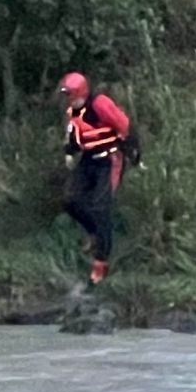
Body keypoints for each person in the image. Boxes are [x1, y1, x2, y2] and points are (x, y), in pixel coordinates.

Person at [58, 71, 141, 285]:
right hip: (89, 159)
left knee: (100, 207)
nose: (69, 100)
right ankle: (95, 233)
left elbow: (125, 126)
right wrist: (69, 152)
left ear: (81, 93)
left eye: (71, 96)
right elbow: (75, 136)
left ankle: (101, 261)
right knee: (70, 200)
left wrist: (134, 153)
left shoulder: (100, 104)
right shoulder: (73, 112)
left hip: (109, 159)